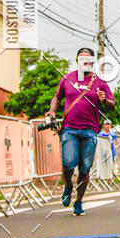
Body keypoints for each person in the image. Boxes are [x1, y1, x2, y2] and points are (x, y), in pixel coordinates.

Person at [46, 46, 114, 216]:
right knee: (68, 163)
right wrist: (52, 111)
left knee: (85, 169)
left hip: (90, 130)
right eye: (81, 59)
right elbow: (57, 97)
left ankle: (79, 201)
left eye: (88, 60)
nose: (85, 62)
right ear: (77, 61)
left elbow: (112, 105)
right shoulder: (67, 79)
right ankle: (68, 185)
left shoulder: (100, 82)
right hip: (70, 128)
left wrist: (104, 100)